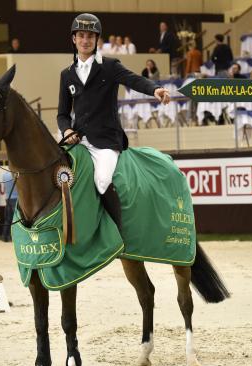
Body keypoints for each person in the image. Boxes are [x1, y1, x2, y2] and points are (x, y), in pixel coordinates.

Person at [57, 13, 170, 231]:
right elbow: (62, 114)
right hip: (78, 140)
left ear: (97, 39)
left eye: (90, 36)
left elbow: (134, 79)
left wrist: (154, 89)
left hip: (106, 141)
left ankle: (119, 233)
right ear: (74, 39)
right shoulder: (67, 75)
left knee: (102, 180)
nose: (85, 40)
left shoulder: (109, 66)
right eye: (81, 35)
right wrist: (67, 129)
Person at [1, 169, 18, 242]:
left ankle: (4, 236)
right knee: (16, 219)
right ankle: (13, 237)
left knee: (8, 219)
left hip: (8, 198)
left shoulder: (4, 175)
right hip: (16, 198)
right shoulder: (16, 174)